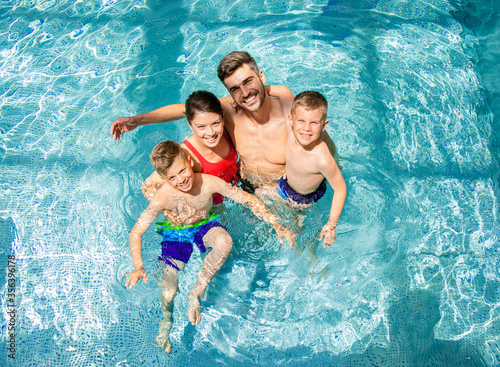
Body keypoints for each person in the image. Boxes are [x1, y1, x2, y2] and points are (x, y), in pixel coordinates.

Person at [121, 141, 294, 354]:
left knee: (225, 241)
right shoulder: (162, 197)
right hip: (177, 234)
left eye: (182, 171)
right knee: (168, 291)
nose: (181, 180)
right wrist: (138, 266)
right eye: (171, 178)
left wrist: (275, 222)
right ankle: (166, 322)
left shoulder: (209, 183)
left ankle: (197, 290)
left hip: (204, 225)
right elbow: (136, 232)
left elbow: (248, 200)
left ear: (190, 162)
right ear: (164, 179)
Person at [111, 51, 336, 193]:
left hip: (287, 191)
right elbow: (183, 110)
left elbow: (324, 148)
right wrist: (136, 121)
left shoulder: (291, 117)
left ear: (262, 76)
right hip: (246, 188)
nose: (245, 93)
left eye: (249, 81)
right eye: (235, 89)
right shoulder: (227, 112)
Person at [264, 89, 347, 247]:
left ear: (324, 125)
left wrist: (332, 224)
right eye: (301, 121)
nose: (306, 128)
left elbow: (340, 189)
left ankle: (310, 259)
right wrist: (244, 96)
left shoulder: (321, 158)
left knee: (295, 236)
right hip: (285, 185)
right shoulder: (292, 132)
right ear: (291, 121)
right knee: (256, 195)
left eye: (314, 123)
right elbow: (283, 93)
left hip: (303, 199)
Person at [136, 90, 238, 206]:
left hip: (234, 189)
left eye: (215, 123)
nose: (210, 133)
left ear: (222, 118)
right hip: (211, 207)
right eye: (201, 127)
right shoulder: (186, 153)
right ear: (190, 125)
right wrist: (168, 208)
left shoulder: (226, 131)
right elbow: (149, 185)